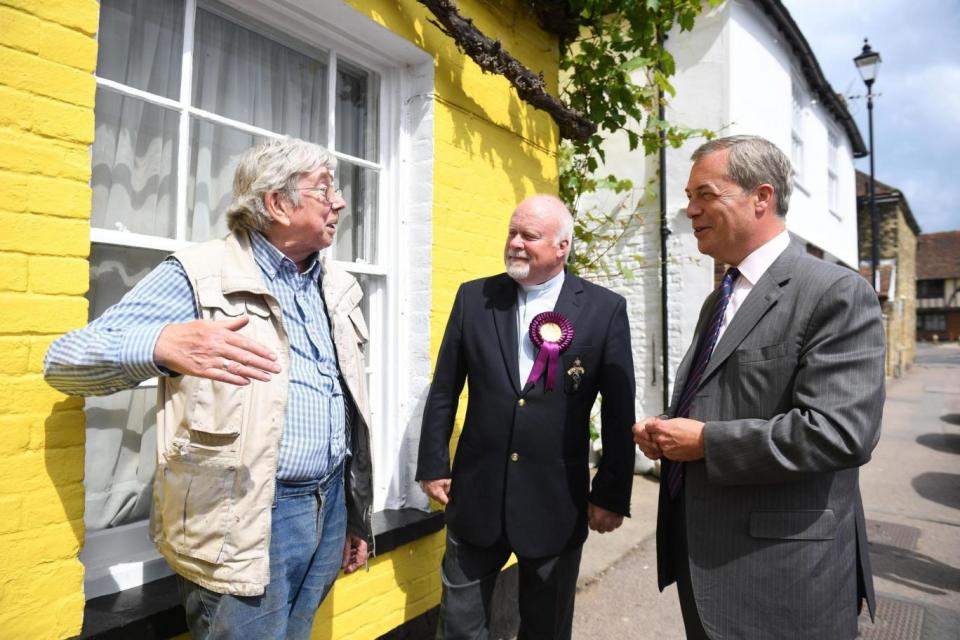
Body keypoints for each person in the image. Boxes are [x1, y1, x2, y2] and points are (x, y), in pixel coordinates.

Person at [44, 137, 372, 639]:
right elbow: (63, 362)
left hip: (326, 508)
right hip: (246, 516)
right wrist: (159, 343)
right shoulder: (198, 276)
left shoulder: (335, 285)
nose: (341, 202)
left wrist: (355, 514)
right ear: (277, 203)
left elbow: (346, 406)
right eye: (325, 188)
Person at [634, 135, 884, 639]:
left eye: (705, 195)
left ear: (761, 197)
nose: (690, 210)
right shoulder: (721, 297)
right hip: (708, 564)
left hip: (783, 576)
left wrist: (704, 442)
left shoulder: (834, 292)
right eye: (688, 197)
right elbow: (722, 395)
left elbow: (839, 431)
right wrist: (669, 430)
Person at [417, 194, 636, 639]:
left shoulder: (604, 309)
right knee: (459, 626)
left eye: (529, 236)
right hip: (476, 494)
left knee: (546, 629)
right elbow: (444, 387)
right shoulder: (474, 298)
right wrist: (433, 462)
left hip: (555, 501)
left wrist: (612, 492)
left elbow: (619, 409)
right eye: (511, 232)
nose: (515, 243)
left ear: (562, 247)